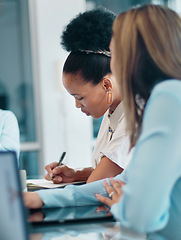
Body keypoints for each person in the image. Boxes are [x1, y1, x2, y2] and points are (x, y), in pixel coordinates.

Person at [24, 4, 181, 239]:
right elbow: (120, 182)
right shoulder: (172, 96)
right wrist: (42, 199)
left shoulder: (168, 100)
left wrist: (123, 203)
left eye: (113, 50)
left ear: (134, 54)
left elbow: (140, 216)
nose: (111, 60)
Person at [45, 8, 131, 184]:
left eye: (80, 97)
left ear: (106, 85)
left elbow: (97, 185)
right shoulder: (113, 109)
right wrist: (76, 174)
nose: (77, 105)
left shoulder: (136, 114)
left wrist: (38, 198)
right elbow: (115, 172)